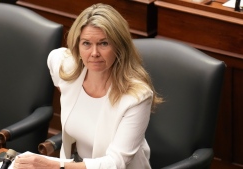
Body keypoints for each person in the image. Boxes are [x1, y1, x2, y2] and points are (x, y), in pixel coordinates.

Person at [13, 3, 162, 169]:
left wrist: (55, 166)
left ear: (119, 46)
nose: (94, 53)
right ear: (77, 45)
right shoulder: (68, 70)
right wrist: (66, 91)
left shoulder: (137, 97)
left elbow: (115, 162)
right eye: (86, 43)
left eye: (104, 43)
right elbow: (54, 56)